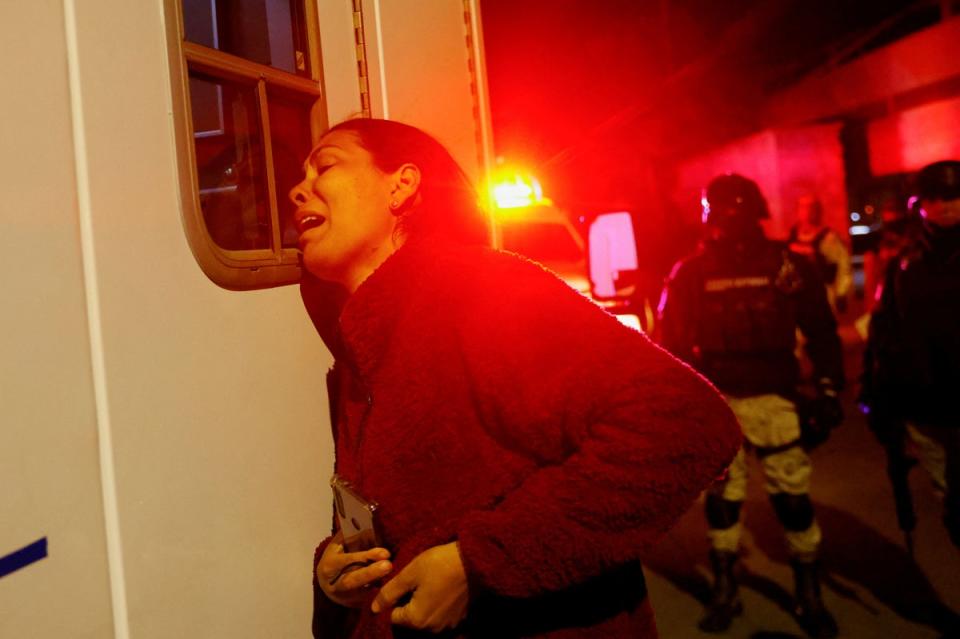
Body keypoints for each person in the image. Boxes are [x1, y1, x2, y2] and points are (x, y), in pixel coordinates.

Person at [290, 118, 742, 638]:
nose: (298, 188)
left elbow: (686, 421)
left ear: (402, 184)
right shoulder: (357, 353)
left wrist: (479, 563)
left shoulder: (477, 289)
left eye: (325, 165)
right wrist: (337, 572)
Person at [657, 174, 845, 638]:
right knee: (723, 500)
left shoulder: (787, 265)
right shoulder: (690, 273)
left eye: (736, 216)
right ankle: (725, 586)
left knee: (792, 499)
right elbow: (672, 343)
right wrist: (676, 406)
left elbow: (821, 328)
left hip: (775, 397)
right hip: (718, 400)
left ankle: (808, 590)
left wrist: (828, 387)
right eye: (722, 216)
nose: (729, 225)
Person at [860, 160, 960, 551]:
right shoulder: (904, 265)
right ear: (921, 205)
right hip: (927, 406)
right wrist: (873, 392)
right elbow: (884, 331)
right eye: (935, 197)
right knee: (952, 506)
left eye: (953, 196)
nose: (945, 205)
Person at [788, 193, 853, 314]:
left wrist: (841, 292)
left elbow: (843, 265)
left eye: (811, 207)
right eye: (803, 207)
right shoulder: (791, 236)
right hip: (798, 295)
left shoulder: (828, 238)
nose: (807, 211)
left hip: (822, 294)